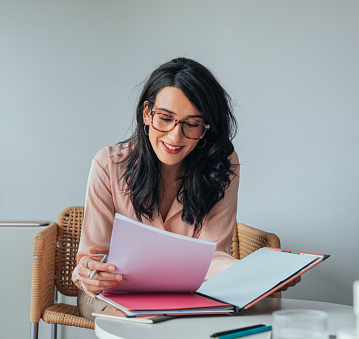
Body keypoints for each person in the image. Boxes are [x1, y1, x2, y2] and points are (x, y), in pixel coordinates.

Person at [71, 57, 296, 320]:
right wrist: (90, 271)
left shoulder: (221, 166)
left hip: (187, 295)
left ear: (206, 127)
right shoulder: (108, 164)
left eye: (192, 124)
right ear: (147, 113)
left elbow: (213, 258)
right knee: (150, 323)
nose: (175, 137)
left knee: (240, 316)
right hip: (114, 294)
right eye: (165, 118)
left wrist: (259, 273)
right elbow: (90, 258)